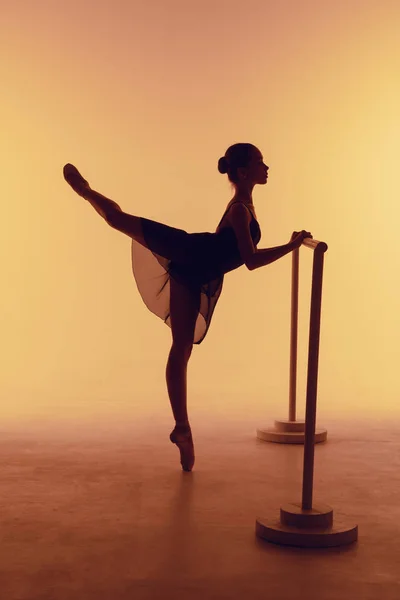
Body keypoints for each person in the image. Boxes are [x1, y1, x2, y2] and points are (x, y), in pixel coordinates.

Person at [63, 143, 311, 472]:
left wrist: (290, 245)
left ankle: (183, 429)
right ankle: (85, 190)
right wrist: (291, 246)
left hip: (196, 272)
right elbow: (250, 260)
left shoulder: (245, 204)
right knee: (117, 219)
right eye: (260, 162)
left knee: (180, 348)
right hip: (188, 251)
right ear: (243, 172)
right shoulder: (239, 209)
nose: (267, 167)